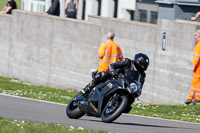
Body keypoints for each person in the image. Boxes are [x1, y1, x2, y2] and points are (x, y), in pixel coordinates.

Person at [81, 53, 149, 97]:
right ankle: (86, 90)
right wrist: (113, 72)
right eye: (142, 65)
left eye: (144, 66)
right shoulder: (127, 62)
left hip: (125, 86)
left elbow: (140, 86)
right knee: (103, 75)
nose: (143, 67)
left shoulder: (142, 74)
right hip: (114, 78)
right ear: (137, 62)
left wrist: (138, 91)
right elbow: (112, 65)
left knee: (129, 104)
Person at [185, 30, 200, 105]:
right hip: (198, 68)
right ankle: (191, 98)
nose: (195, 37)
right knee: (196, 83)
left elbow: (197, 57)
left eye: (196, 35)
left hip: (198, 68)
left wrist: (194, 65)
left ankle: (195, 99)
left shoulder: (199, 45)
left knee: (195, 83)